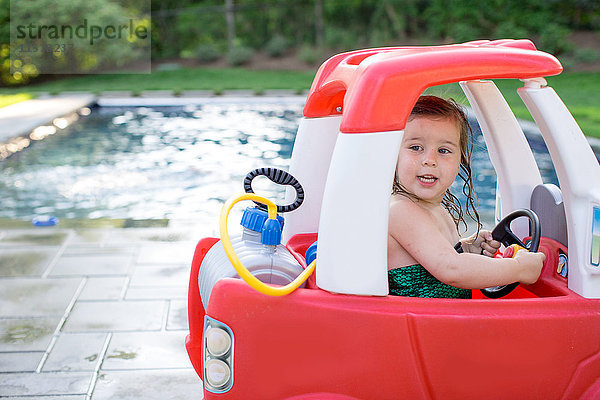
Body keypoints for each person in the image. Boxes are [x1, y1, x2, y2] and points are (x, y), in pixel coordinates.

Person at [387, 95, 545, 298]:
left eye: (444, 150)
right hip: (416, 326)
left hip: (441, 323)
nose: (430, 160)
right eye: (416, 148)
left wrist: (465, 249)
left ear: (460, 159)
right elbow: (452, 269)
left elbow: (441, 259)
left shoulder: (434, 208)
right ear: (394, 155)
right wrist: (519, 268)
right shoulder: (401, 210)